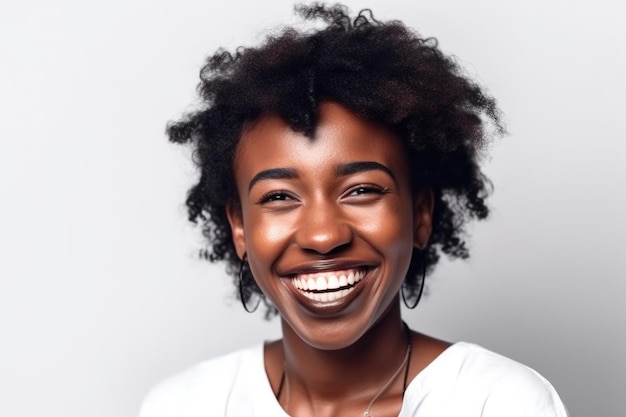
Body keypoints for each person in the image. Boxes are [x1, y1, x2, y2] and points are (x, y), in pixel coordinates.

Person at [139, 3, 568, 416]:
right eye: (279, 197)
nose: (323, 236)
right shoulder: (182, 406)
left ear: (420, 214)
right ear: (238, 228)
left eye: (361, 190)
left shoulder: (499, 404)